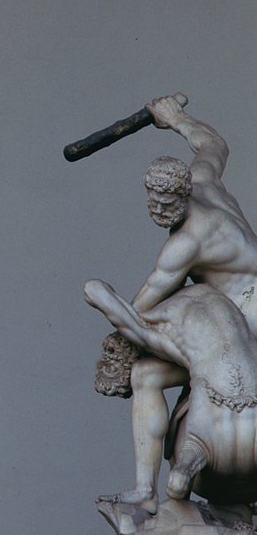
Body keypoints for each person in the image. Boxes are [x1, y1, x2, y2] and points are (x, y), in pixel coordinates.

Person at [89, 95, 257, 513]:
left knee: (145, 370)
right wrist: (176, 118)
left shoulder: (186, 244)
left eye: (168, 204)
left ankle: (155, 485)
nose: (160, 211)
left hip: (247, 320)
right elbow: (214, 145)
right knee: (148, 375)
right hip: (238, 310)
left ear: (182, 193)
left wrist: (116, 344)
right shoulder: (205, 182)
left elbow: (142, 309)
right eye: (154, 202)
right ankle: (145, 491)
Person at [85, 277, 257, 508]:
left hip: (212, 429)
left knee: (144, 376)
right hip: (248, 405)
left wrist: (125, 318)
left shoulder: (155, 334)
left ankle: (146, 489)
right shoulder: (198, 305)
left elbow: (97, 294)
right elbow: (97, 290)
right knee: (147, 374)